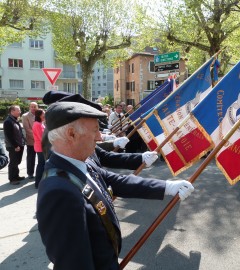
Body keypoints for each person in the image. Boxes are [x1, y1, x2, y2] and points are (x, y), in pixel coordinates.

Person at [36, 101, 194, 269]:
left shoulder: (79, 162)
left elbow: (117, 181)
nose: (99, 138)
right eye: (95, 130)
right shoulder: (59, 192)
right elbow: (75, 263)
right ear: (71, 134)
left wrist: (166, 187)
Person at [3, 105, 26, 185]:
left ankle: (16, 176)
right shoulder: (8, 121)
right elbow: (9, 136)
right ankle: (12, 179)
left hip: (19, 145)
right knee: (13, 162)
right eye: (18, 110)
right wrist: (16, 146)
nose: (20, 111)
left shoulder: (15, 120)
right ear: (12, 111)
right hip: (13, 146)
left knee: (17, 162)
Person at [22, 102, 38, 179]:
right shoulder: (25, 116)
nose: (33, 108)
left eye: (35, 106)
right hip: (31, 141)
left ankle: (39, 173)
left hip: (40, 142)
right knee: (31, 158)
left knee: (41, 159)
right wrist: (37, 137)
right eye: (32, 106)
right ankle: (30, 173)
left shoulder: (40, 114)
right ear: (29, 107)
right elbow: (27, 129)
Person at [32, 109, 46, 188]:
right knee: (41, 165)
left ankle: (39, 182)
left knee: (42, 164)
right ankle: (38, 183)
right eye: (43, 114)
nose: (44, 115)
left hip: (42, 147)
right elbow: (42, 138)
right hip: (40, 147)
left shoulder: (40, 123)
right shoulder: (37, 124)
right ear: (39, 115)